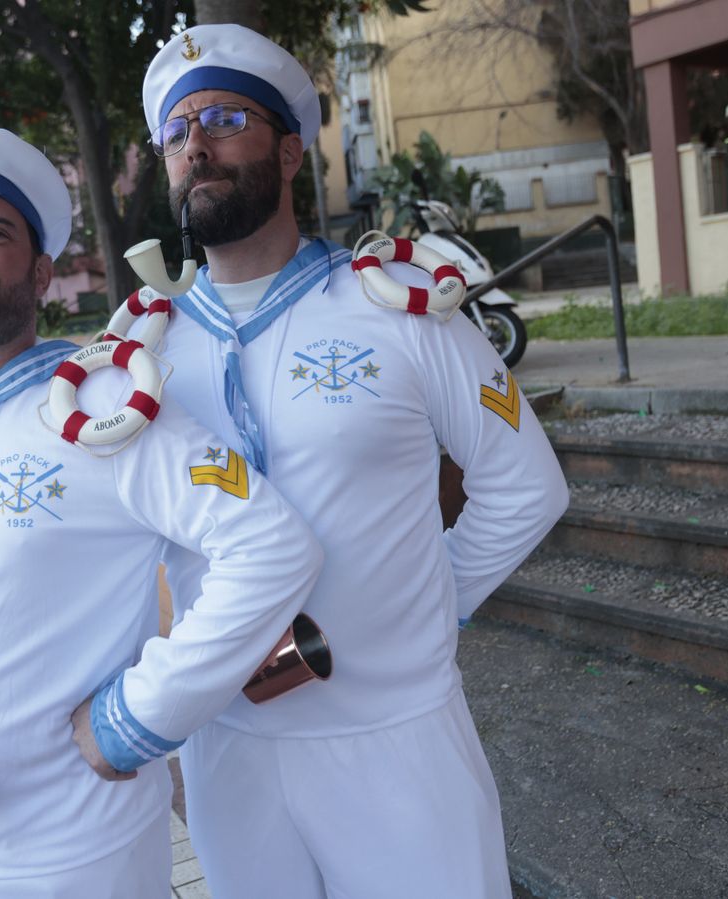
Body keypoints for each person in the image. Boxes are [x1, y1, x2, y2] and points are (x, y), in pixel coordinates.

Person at [0, 125, 322, 899]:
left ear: (41, 273)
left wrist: (139, 714)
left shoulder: (107, 406)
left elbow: (273, 546)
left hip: (70, 863)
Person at [137, 25, 570, 898]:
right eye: (177, 133)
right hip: (231, 746)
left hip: (397, 738)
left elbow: (527, 487)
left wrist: (427, 608)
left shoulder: (401, 308)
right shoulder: (142, 350)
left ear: (291, 149)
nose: (197, 146)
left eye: (223, 118)